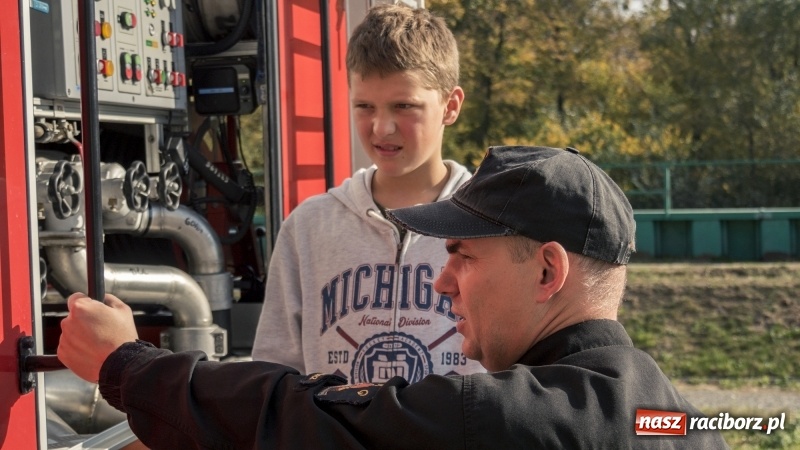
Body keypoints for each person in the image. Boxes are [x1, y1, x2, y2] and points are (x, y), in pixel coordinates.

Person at [58, 146, 729, 449]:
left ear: (548, 272)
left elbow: (304, 417)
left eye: (463, 257)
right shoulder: (683, 421)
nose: (442, 281)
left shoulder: (501, 418)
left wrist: (128, 367)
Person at [250, 3, 485, 383]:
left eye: (404, 106)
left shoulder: (493, 223)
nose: (382, 127)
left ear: (450, 106)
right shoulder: (308, 227)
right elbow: (273, 375)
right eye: (364, 106)